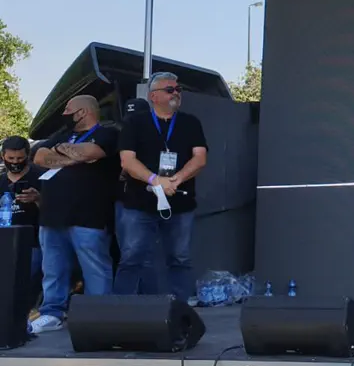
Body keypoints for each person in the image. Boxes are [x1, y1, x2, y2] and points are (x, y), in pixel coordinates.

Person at [29, 95, 118, 334]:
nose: (64, 114)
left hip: (88, 215)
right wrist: (70, 156)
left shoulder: (107, 133)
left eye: (68, 109)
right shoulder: (61, 135)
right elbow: (39, 156)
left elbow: (91, 152)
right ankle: (52, 313)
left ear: (83, 112)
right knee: (52, 267)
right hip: (52, 214)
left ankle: (98, 315)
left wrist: (59, 153)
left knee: (94, 266)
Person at [116, 72, 207, 301]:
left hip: (180, 203)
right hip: (139, 203)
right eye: (169, 90)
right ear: (153, 96)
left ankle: (180, 309)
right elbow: (127, 161)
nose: (176, 93)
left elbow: (200, 158)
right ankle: (120, 310)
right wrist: (155, 180)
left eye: (178, 90)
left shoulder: (190, 122)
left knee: (180, 258)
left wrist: (177, 179)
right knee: (131, 257)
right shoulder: (135, 123)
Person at [1, 136, 45, 306]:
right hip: (6, 240)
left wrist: (38, 199)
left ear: (28, 155)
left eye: (20, 158)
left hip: (34, 240)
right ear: (3, 156)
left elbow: (55, 210)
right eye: (10, 158)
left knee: (29, 279)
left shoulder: (41, 177)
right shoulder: (1, 181)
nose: (15, 162)